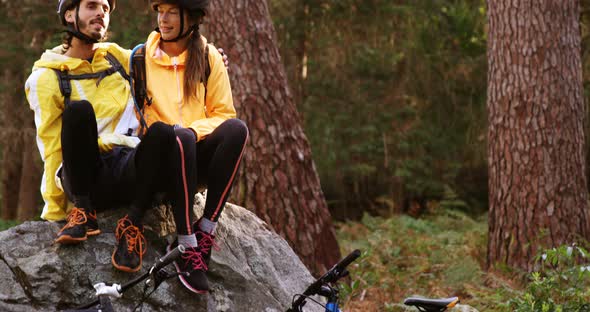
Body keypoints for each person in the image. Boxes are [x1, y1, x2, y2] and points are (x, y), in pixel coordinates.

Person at [117, 0, 248, 294]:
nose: (163, 19)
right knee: (179, 137)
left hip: (194, 156)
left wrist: (191, 130)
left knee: (238, 130)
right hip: (159, 161)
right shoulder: (140, 58)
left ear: (192, 18)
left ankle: (205, 231)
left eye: (171, 12)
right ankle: (185, 240)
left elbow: (224, 114)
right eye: (159, 11)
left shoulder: (209, 57)